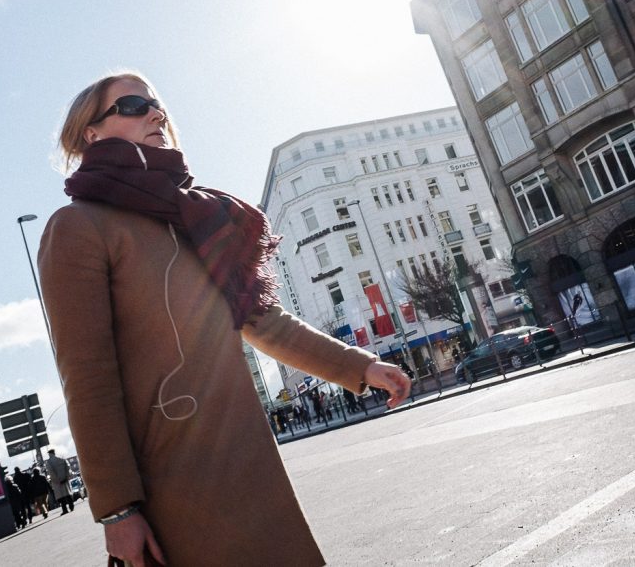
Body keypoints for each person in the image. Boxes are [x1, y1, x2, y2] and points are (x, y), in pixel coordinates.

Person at [38, 71, 411, 567]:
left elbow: (263, 320)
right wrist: (116, 511)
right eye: (131, 105)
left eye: (155, 104)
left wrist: (359, 366)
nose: (154, 113)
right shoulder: (77, 228)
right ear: (92, 131)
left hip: (249, 461)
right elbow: (87, 378)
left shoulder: (193, 215)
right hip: (172, 481)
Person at [46, 449, 75, 515]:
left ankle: (65, 509)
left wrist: (57, 480)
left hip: (57, 482)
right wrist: (67, 476)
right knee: (68, 493)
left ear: (49, 454)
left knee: (61, 497)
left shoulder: (49, 462)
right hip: (65, 479)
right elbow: (68, 467)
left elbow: (51, 472)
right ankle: (71, 506)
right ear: (54, 452)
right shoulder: (61, 458)